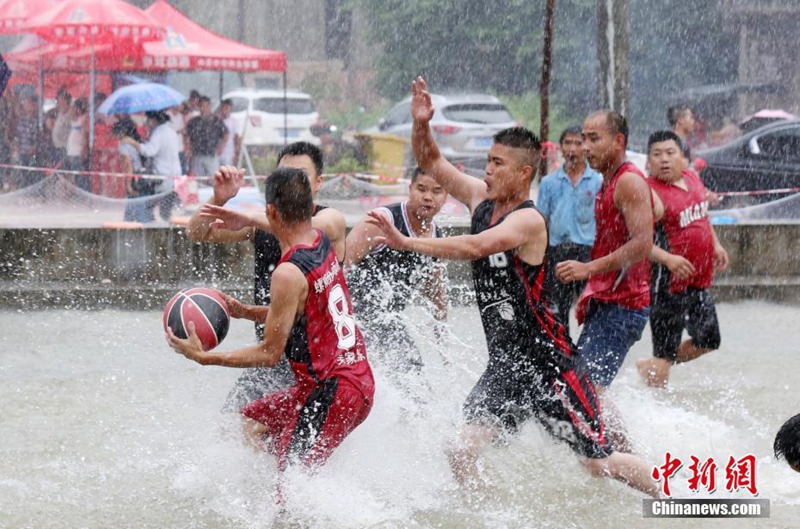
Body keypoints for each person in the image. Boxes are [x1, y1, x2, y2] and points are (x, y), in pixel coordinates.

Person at [368, 76, 658, 498]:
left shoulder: (528, 219)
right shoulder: (478, 198)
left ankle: (680, 500)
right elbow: (431, 160)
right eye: (487, 161)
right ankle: (491, 515)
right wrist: (420, 124)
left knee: (598, 463)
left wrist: (406, 241)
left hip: (550, 367)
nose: (487, 170)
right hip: (506, 367)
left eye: (497, 164)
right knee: (459, 449)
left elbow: (476, 245)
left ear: (524, 172)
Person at [168, 167, 374, 479]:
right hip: (351, 381)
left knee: (292, 493)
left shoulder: (288, 273)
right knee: (252, 423)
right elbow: (308, 312)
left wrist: (203, 357)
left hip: (334, 392)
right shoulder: (319, 240)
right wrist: (245, 311)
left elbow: (269, 354)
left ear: (271, 210)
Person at [186, 141, 347, 413]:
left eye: (301, 177)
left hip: (319, 362)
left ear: (318, 183)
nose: (291, 183)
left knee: (275, 438)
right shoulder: (259, 225)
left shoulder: (330, 220)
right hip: (272, 355)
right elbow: (197, 233)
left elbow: (304, 228)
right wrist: (218, 199)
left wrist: (250, 218)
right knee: (232, 423)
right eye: (284, 176)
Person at [555, 111, 653, 391]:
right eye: (584, 139)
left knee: (583, 393)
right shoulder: (611, 181)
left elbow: (643, 243)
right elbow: (654, 210)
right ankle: (620, 437)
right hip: (608, 300)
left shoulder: (628, 181)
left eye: (594, 139)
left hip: (623, 306)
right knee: (585, 392)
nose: (585, 147)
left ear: (618, 141)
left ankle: (617, 438)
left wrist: (589, 268)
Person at [636, 131, 729, 388]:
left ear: (683, 158)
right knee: (664, 355)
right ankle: (655, 407)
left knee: (709, 339)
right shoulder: (649, 192)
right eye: (657, 155)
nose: (664, 160)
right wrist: (667, 259)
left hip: (698, 279)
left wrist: (716, 244)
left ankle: (652, 366)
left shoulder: (692, 178)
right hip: (667, 283)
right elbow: (637, 242)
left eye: (670, 153)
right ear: (648, 161)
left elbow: (702, 217)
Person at [345, 166, 448, 386]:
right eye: (422, 189)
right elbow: (339, 267)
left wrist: (441, 331)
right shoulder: (380, 221)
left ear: (446, 197)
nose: (428, 197)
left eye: (437, 191)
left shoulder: (436, 237)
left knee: (415, 382)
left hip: (389, 322)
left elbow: (434, 288)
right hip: (355, 317)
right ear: (410, 189)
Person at [537, 126, 602, 336]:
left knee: (592, 307)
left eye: (577, 143)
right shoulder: (548, 183)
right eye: (567, 143)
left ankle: (587, 352)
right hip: (558, 252)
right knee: (557, 309)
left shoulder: (598, 181)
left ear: (586, 147)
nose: (572, 149)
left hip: (588, 253)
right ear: (561, 147)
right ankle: (562, 353)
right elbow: (541, 221)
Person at [122, 110, 182, 222]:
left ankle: (151, 227)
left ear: (154, 120)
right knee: (165, 211)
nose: (147, 123)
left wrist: (133, 143)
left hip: (163, 177)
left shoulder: (159, 132)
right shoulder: (170, 131)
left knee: (148, 206)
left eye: (148, 120)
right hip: (174, 176)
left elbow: (149, 151)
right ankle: (171, 230)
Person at [114, 117, 153, 223]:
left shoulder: (123, 144)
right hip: (143, 176)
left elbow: (128, 165)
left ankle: (133, 230)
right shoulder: (137, 140)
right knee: (142, 205)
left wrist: (128, 185)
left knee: (135, 208)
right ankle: (148, 227)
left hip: (134, 177)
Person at [186, 95, 228, 177]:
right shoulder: (194, 121)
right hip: (197, 154)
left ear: (210, 106)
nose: (203, 108)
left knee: (214, 179)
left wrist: (221, 148)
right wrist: (188, 148)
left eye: (205, 106)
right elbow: (187, 136)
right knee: (197, 180)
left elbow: (226, 134)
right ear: (198, 107)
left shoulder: (216, 121)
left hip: (211, 154)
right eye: (201, 106)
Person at [66, 97, 90, 191]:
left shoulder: (84, 119)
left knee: (80, 176)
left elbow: (85, 136)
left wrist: (83, 150)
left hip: (78, 151)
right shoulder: (75, 118)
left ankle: (83, 192)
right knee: (75, 174)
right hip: (72, 150)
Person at [50, 87, 73, 167]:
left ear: (66, 101)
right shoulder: (59, 113)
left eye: (61, 100)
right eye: (58, 100)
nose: (59, 102)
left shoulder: (71, 114)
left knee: (64, 169)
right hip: (57, 147)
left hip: (65, 148)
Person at [218, 98, 241, 167]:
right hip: (217, 151)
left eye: (227, 107)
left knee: (228, 172)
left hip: (229, 152)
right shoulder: (216, 121)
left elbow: (237, 137)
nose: (225, 110)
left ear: (230, 109)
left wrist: (237, 153)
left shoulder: (234, 121)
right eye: (223, 107)